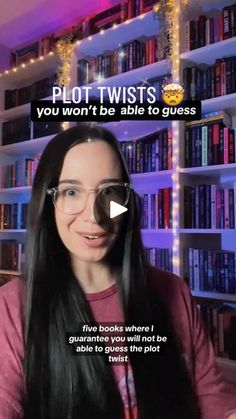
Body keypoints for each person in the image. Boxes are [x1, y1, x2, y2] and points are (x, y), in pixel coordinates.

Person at [0, 123, 236, 419]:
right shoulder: (12, 307)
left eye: (109, 191)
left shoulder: (172, 291)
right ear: (48, 203)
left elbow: (209, 395)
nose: (95, 215)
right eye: (71, 191)